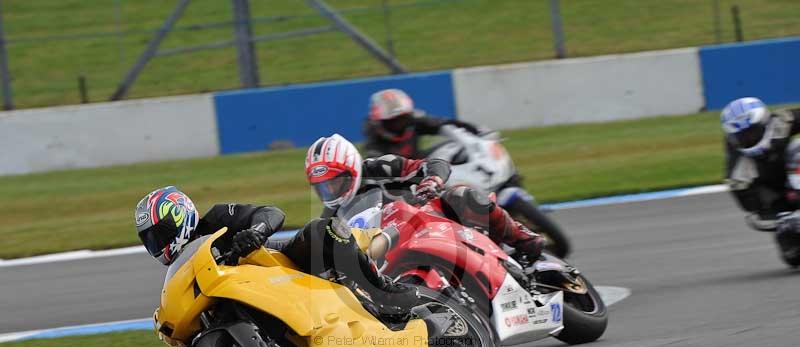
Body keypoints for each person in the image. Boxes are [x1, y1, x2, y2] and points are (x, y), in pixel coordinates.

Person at [134, 186, 417, 314]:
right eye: (150, 240)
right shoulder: (183, 267)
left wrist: (254, 234)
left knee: (321, 229)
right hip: (255, 294)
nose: (157, 244)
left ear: (179, 217)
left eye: (160, 234)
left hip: (283, 264)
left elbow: (272, 212)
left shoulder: (217, 218)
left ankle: (382, 288)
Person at [305, 134, 544, 259]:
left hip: (428, 219)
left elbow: (434, 164)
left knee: (461, 194)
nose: (332, 190)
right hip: (391, 250)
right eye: (324, 186)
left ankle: (522, 237)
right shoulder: (331, 217)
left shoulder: (380, 168)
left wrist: (431, 181)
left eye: (337, 181)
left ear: (353, 167)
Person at [721, 97, 800, 227]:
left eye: (752, 132)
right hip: (775, 194)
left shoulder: (782, 121)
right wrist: (770, 210)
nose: (748, 139)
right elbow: (749, 205)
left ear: (765, 123)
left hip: (793, 168)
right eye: (742, 136)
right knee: (787, 234)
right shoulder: (738, 167)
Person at [363, 88, 481, 159]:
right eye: (393, 121)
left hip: (421, 168)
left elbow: (442, 123)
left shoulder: (414, 121)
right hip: (398, 183)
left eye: (403, 118)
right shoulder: (374, 140)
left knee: (451, 148)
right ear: (380, 122)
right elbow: (374, 166)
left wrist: (475, 130)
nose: (400, 124)